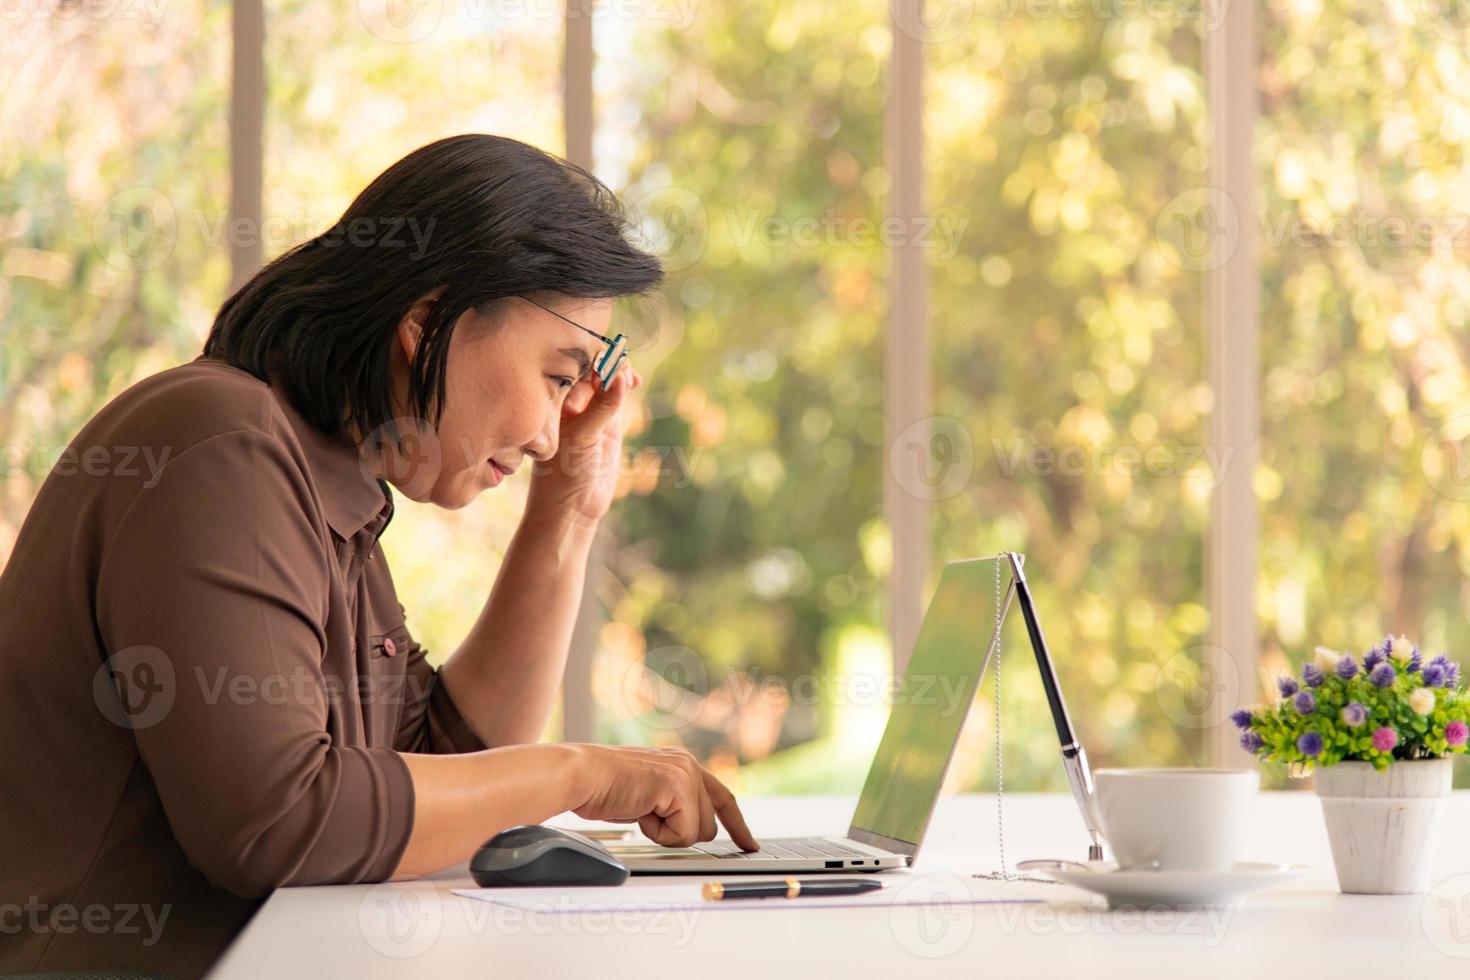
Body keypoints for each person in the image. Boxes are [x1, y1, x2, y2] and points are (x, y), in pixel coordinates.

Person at [0, 134, 757, 979]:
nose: (552, 435)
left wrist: (569, 511)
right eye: (556, 375)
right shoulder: (222, 446)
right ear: (428, 321)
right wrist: (579, 772)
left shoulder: (329, 484)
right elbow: (279, 825)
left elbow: (436, 777)